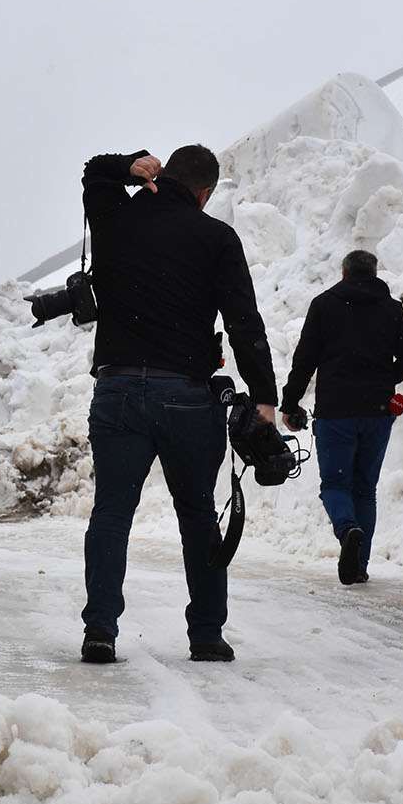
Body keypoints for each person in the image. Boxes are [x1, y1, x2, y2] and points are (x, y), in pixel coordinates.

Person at [79, 145, 277, 664]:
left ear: (163, 175)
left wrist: (126, 166)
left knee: (112, 513)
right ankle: (207, 634)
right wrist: (265, 399)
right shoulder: (216, 238)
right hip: (186, 397)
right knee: (196, 515)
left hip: (117, 390)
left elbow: (93, 173)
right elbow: (243, 324)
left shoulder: (115, 218)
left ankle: (100, 628)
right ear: (206, 192)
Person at [278, 250, 403, 586]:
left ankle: (347, 530)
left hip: (336, 412)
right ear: (374, 273)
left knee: (335, 484)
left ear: (344, 274)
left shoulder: (325, 304)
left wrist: (290, 403)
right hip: (377, 412)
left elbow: (304, 360)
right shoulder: (391, 309)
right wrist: (386, 380)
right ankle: (359, 565)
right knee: (365, 489)